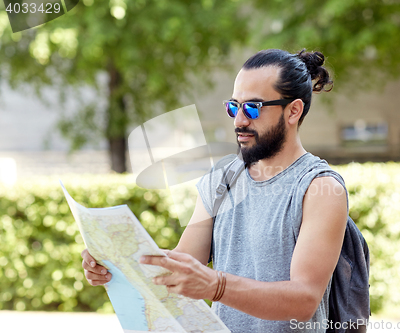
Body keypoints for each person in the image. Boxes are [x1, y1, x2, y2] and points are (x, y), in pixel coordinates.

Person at [81, 48, 350, 333]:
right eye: (234, 106)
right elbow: (182, 265)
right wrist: (114, 262)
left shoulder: (320, 187)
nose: (239, 121)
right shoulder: (223, 178)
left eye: (252, 107)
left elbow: (304, 300)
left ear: (293, 110)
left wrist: (216, 285)